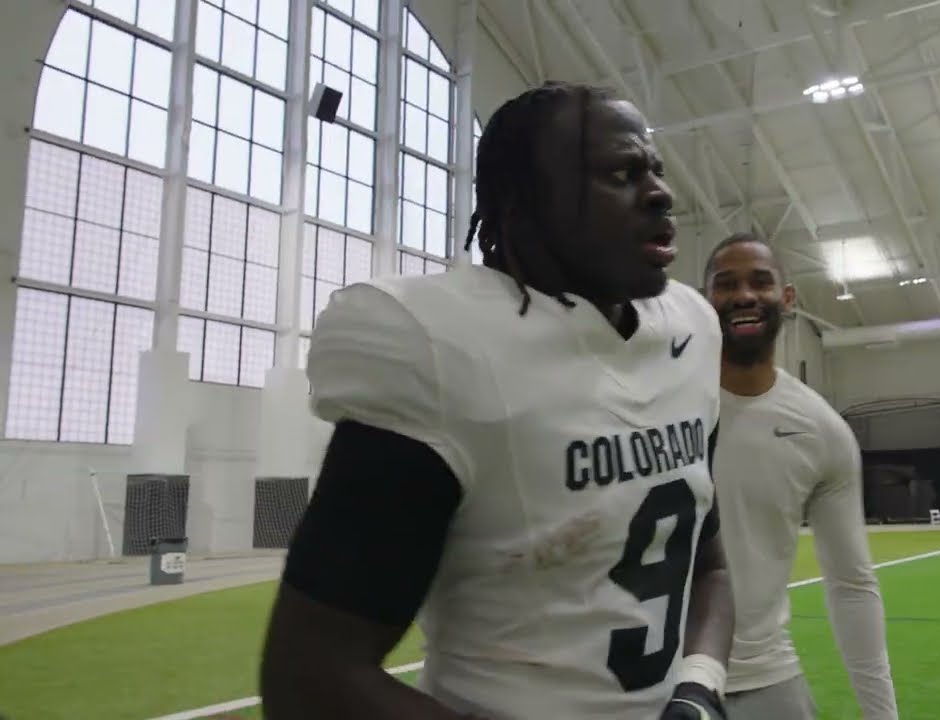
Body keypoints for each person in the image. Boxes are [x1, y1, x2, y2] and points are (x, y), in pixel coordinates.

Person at [259, 81, 734, 720]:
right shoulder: (441, 345)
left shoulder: (692, 329)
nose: (660, 193)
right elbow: (309, 678)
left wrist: (699, 689)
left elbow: (709, 566)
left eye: (655, 169)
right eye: (620, 173)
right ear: (524, 201)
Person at [703, 232, 898, 720]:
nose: (745, 295)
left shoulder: (822, 431)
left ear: (786, 299)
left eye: (760, 282)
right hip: (655, 680)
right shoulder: (655, 400)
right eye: (726, 285)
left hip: (765, 677)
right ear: (705, 301)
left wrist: (882, 716)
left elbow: (851, 584)